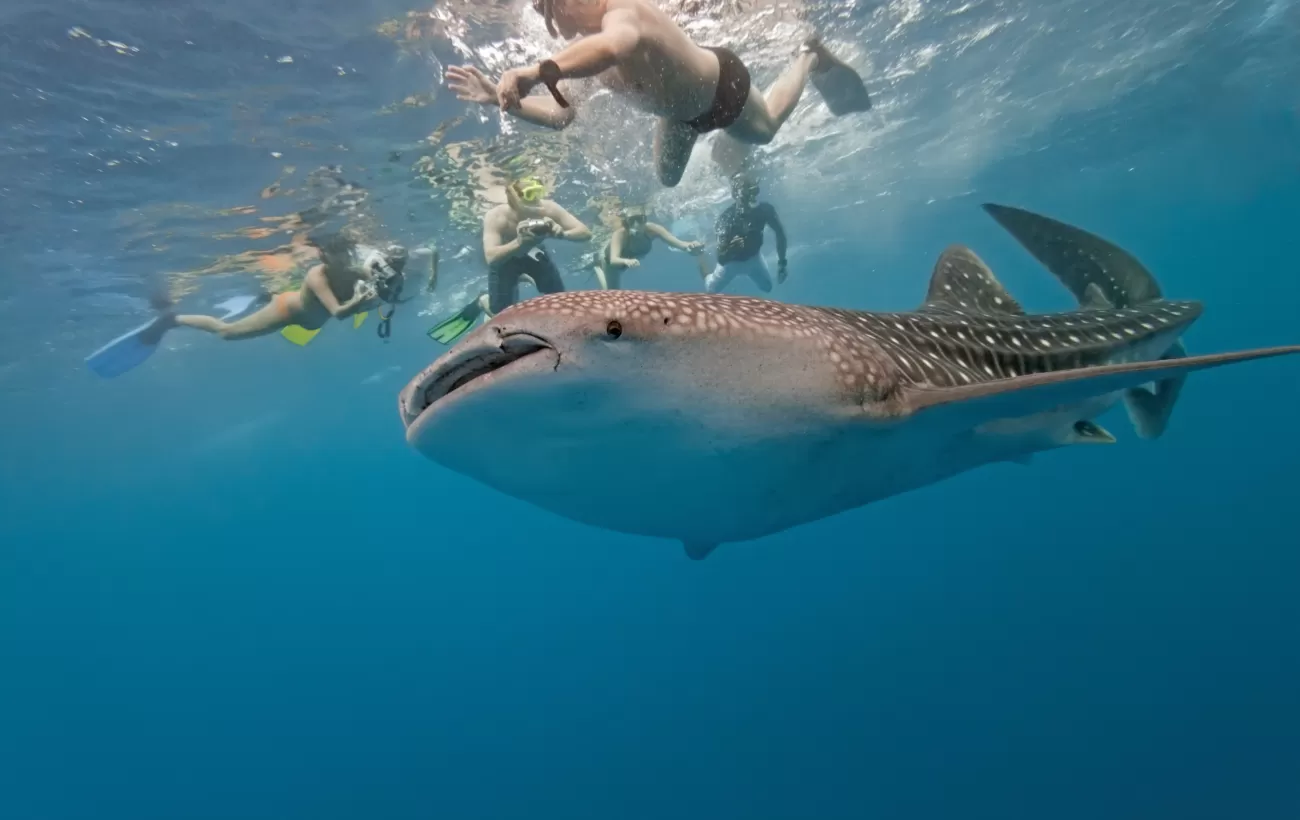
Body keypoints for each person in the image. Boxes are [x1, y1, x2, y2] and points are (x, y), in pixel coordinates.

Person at [446, 0, 870, 187]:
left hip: (722, 85)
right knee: (667, 179)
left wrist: (534, 71)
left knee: (768, 128)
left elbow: (615, 46)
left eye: (556, 7)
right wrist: (505, 102)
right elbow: (562, 115)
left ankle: (808, 56)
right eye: (548, 12)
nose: (555, 19)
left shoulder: (623, 12)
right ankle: (717, 137)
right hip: (681, 116)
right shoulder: (578, 56)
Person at [85, 236, 413, 378]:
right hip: (287, 312)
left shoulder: (351, 269)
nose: (343, 261)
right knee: (227, 332)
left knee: (278, 299)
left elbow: (364, 293)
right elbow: (340, 312)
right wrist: (361, 300)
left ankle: (263, 294)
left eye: (346, 255)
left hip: (306, 317)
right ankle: (172, 320)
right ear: (326, 257)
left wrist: (379, 292)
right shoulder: (318, 275)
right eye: (336, 256)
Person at [428, 177, 591, 344]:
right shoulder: (497, 216)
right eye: (529, 195)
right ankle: (483, 301)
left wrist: (561, 234)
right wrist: (519, 242)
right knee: (502, 315)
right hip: (504, 259)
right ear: (513, 199)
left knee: (560, 300)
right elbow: (491, 257)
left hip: (534, 252)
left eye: (538, 193)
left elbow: (585, 233)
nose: (535, 200)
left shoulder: (549, 208)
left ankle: (526, 278)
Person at [702, 178, 787, 294]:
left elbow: (780, 233)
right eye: (745, 196)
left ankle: (748, 271)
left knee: (767, 287)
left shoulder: (765, 210)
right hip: (731, 264)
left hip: (754, 257)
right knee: (710, 290)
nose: (749, 201)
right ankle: (700, 258)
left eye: (752, 193)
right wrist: (730, 250)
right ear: (735, 196)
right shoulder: (725, 219)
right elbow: (721, 258)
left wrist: (782, 263)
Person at [593, 205, 705, 290]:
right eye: (632, 220)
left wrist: (690, 245)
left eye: (640, 219)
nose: (637, 224)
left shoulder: (653, 229)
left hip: (629, 260)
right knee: (612, 293)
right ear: (627, 222)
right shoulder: (620, 234)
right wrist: (627, 261)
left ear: (645, 219)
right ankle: (597, 267)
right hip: (611, 263)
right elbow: (613, 260)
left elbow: (678, 243)